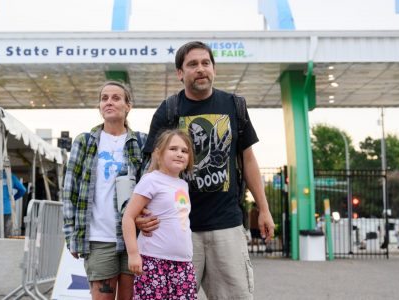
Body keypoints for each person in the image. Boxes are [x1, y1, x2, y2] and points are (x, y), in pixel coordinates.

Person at [138, 41, 275, 299]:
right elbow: (152, 168)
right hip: (176, 229)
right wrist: (140, 212)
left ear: (214, 68)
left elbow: (248, 160)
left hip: (226, 227)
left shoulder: (234, 106)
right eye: (192, 64)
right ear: (180, 73)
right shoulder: (168, 111)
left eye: (205, 63)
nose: (200, 69)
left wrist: (264, 209)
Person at [62, 81, 147, 300]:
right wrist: (71, 235)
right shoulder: (85, 141)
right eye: (104, 98)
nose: (109, 102)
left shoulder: (142, 141)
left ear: (128, 106)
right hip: (98, 238)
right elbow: (69, 191)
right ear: (99, 107)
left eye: (116, 98)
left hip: (135, 239)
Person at [122, 129, 197, 299]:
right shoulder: (151, 180)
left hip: (183, 264)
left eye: (184, 151)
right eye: (173, 149)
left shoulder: (183, 185)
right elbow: (128, 217)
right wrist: (133, 254)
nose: (179, 154)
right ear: (158, 153)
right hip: (153, 261)